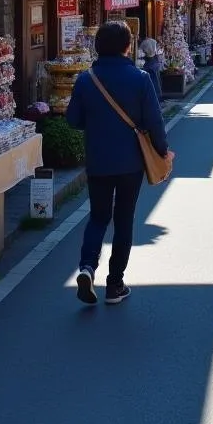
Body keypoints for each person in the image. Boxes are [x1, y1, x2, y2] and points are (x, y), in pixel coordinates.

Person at [66, 22, 169, 305]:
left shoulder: (87, 79)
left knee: (98, 217)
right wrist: (162, 151)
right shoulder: (140, 78)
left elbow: (73, 120)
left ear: (98, 46)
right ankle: (114, 285)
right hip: (130, 162)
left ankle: (87, 267)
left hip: (98, 159)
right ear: (127, 46)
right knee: (124, 220)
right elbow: (154, 121)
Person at [138, 35, 163, 101]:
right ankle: (158, 96)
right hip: (154, 64)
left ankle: (155, 97)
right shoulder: (153, 42)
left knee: (153, 82)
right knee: (156, 81)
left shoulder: (144, 43)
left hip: (149, 64)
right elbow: (156, 52)